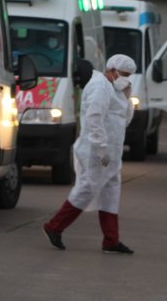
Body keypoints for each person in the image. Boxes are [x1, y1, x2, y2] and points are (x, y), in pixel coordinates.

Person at [43, 54, 136, 254]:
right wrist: (101, 147)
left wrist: (128, 99)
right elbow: (94, 117)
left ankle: (111, 240)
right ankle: (54, 226)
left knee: (111, 192)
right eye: (125, 74)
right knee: (87, 188)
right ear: (112, 70)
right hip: (97, 150)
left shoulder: (116, 89)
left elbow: (123, 119)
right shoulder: (100, 86)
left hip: (111, 151)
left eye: (129, 76)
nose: (127, 79)